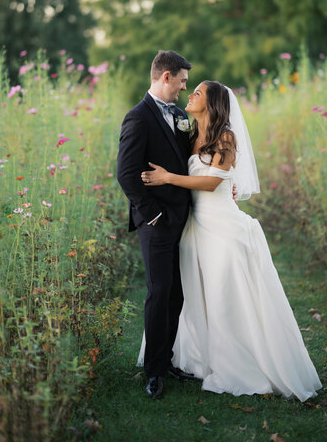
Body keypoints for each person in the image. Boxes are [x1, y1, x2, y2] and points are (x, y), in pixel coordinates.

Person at [140, 80, 322, 401]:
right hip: (194, 227)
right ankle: (199, 356)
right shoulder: (190, 135)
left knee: (225, 295)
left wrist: (168, 178)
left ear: (212, 104)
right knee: (199, 295)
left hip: (222, 226)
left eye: (198, 92)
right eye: (191, 90)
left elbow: (211, 183)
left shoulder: (226, 137)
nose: (190, 95)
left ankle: (239, 362)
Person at [117, 50, 197, 399]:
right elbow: (126, 176)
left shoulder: (179, 115)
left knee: (177, 294)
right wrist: (154, 214)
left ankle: (166, 360)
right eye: (181, 81)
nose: (183, 88)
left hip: (182, 218)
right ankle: (153, 373)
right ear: (166, 77)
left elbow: (190, 161)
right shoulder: (137, 118)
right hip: (156, 221)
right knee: (159, 292)